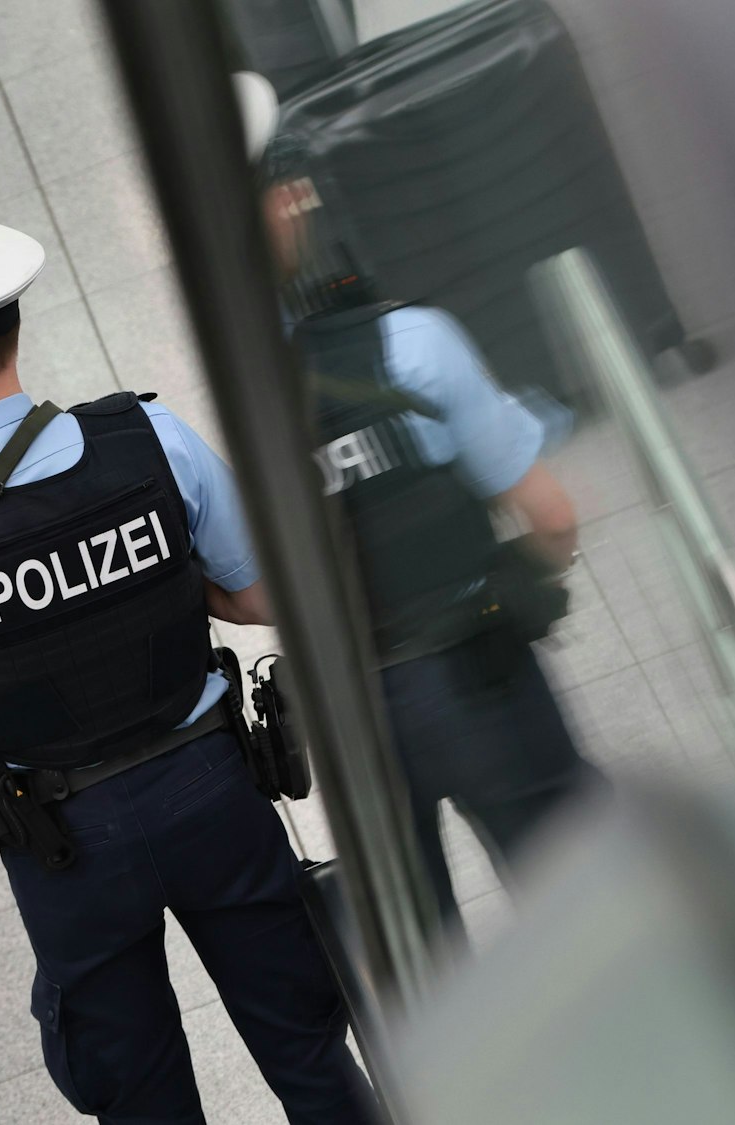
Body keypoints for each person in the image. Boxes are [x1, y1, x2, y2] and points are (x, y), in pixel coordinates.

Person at [0, 209, 374, 1125]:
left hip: (65, 843)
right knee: (311, 1051)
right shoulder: (150, 443)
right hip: (216, 792)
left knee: (142, 1101)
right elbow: (261, 596)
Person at [240, 73, 608, 924]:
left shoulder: (236, 399)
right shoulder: (411, 343)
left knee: (420, 952)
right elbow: (551, 516)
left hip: (354, 717)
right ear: (289, 203)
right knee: (589, 911)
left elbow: (253, 589)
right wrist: (520, 575)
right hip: (478, 673)